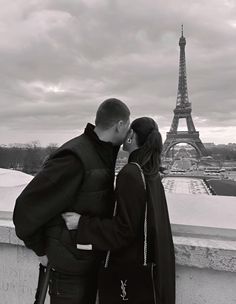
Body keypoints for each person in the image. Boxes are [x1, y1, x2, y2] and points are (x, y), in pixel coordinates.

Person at [13, 98, 130, 304]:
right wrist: (40, 250)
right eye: (128, 125)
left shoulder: (99, 153)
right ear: (120, 125)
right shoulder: (75, 157)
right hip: (69, 272)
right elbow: (26, 207)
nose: (128, 132)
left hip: (86, 264)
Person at [63, 117, 176, 304]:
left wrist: (81, 223)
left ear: (131, 135)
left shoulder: (131, 173)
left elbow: (124, 230)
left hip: (128, 276)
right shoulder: (151, 172)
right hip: (152, 274)